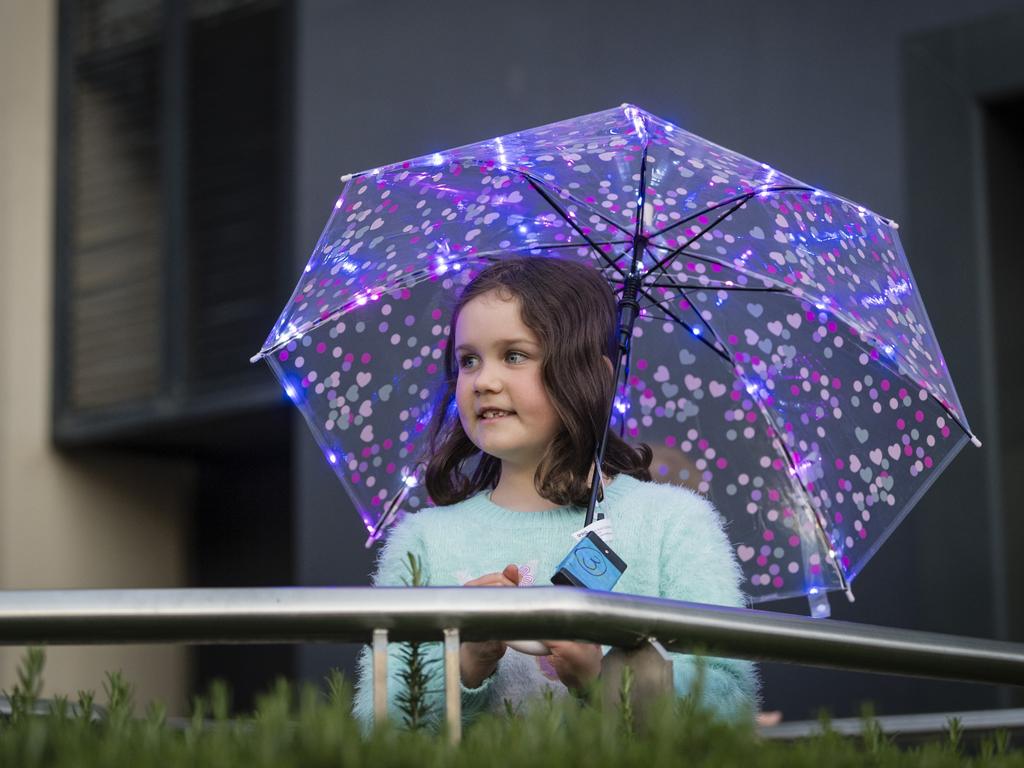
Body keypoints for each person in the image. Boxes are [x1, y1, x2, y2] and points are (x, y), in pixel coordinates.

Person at [352, 256, 758, 731]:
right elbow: (376, 731)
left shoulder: (672, 522)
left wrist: (603, 676)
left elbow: (730, 703)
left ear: (593, 374)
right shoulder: (423, 540)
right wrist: (465, 663)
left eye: (515, 355)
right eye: (468, 360)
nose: (484, 381)